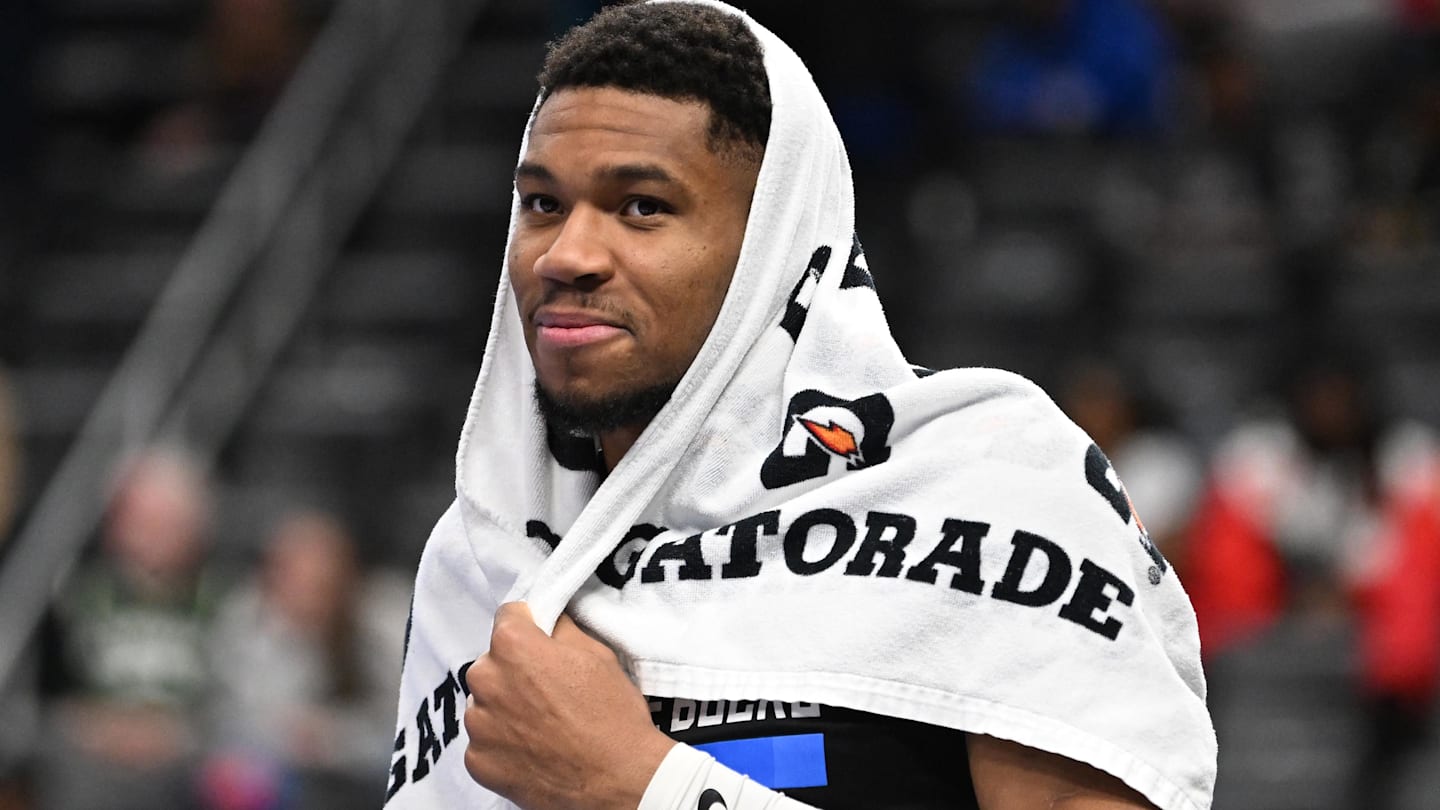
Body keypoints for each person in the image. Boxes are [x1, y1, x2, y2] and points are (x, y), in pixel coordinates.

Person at [387, 3, 1215, 809]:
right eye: (543, 204)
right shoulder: (481, 553)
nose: (566, 255)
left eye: (642, 206)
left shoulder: (992, 492)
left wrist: (646, 788)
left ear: (774, 245)